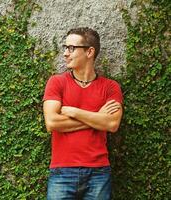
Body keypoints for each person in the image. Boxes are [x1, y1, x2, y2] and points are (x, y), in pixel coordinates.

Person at [43, 27, 123, 200]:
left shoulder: (110, 87)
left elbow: (112, 124)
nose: (65, 53)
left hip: (99, 172)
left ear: (90, 51)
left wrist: (74, 112)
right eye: (65, 48)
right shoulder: (56, 82)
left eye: (71, 48)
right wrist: (97, 116)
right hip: (62, 171)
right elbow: (52, 123)